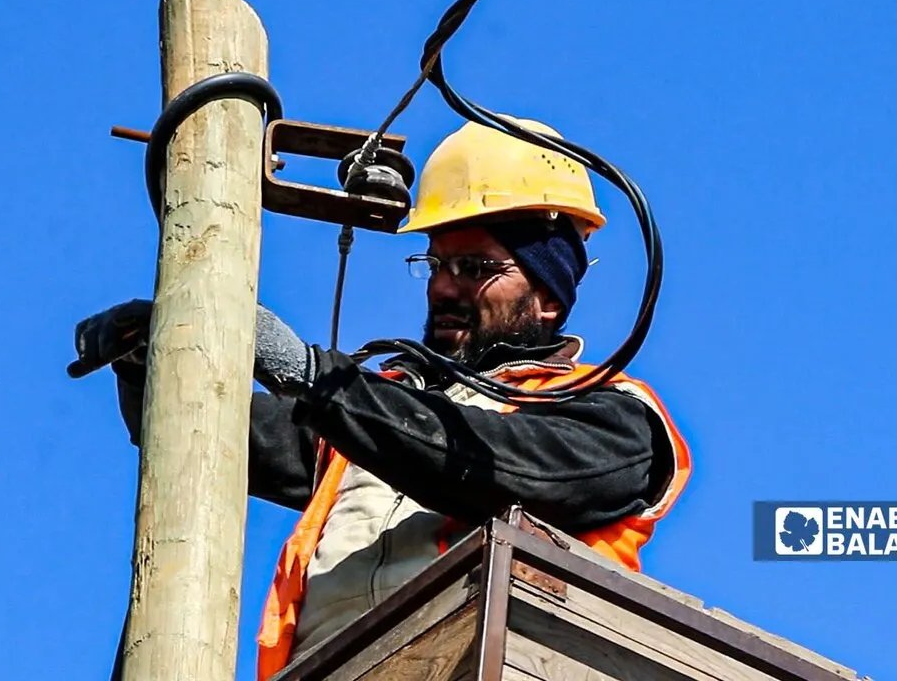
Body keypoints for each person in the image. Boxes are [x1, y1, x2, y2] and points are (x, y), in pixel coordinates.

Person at [71, 118, 691, 680]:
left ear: (548, 297)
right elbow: (215, 432)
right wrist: (149, 361)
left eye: (476, 267)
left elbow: (502, 467)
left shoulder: (612, 414)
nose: (445, 287)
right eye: (437, 263)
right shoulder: (378, 413)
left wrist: (314, 375)